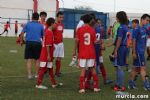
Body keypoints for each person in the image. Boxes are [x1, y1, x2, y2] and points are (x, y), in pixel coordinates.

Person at [73, 14, 100, 93]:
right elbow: (95, 42)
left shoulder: (79, 29)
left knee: (83, 69)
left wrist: (74, 51)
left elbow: (76, 41)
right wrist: (99, 42)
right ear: (90, 20)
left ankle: (82, 88)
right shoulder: (92, 30)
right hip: (91, 52)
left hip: (82, 53)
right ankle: (95, 87)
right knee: (92, 68)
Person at [36, 18, 62, 89]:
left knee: (50, 68)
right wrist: (48, 55)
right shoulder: (49, 32)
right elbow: (47, 45)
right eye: (54, 24)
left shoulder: (48, 31)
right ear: (51, 24)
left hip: (48, 54)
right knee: (43, 68)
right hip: (46, 55)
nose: (55, 25)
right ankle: (38, 84)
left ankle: (54, 83)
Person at [128, 14, 150, 90]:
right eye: (147, 20)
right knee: (143, 68)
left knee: (135, 69)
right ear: (142, 19)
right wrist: (134, 52)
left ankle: (131, 84)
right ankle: (146, 85)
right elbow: (133, 41)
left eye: (148, 21)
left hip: (141, 52)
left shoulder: (144, 29)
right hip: (138, 52)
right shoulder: (137, 29)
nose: (147, 22)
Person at [20, 12, 44, 79]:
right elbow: (43, 36)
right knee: (37, 60)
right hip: (37, 43)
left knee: (29, 60)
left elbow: (22, 33)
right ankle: (36, 74)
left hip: (29, 43)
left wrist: (21, 41)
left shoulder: (28, 24)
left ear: (32, 17)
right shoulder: (40, 25)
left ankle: (30, 75)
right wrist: (43, 43)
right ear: (38, 18)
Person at [112, 11, 129, 91]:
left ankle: (121, 86)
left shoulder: (121, 27)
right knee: (119, 67)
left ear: (119, 18)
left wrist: (115, 50)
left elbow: (119, 39)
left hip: (121, 48)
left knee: (120, 67)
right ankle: (118, 84)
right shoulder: (126, 26)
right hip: (124, 48)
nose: (116, 18)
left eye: (116, 16)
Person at [95, 18, 113, 85]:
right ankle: (88, 80)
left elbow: (101, 40)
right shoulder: (94, 30)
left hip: (99, 51)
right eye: (98, 23)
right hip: (94, 51)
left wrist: (102, 46)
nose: (99, 24)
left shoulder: (100, 30)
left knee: (101, 64)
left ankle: (105, 79)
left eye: (100, 23)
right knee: (92, 67)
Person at [53, 11, 64, 77]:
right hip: (54, 44)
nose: (61, 19)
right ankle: (47, 70)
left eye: (62, 17)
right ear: (56, 17)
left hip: (60, 43)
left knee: (59, 58)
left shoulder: (62, 24)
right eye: (60, 17)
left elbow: (61, 33)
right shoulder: (53, 24)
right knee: (51, 58)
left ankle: (57, 72)